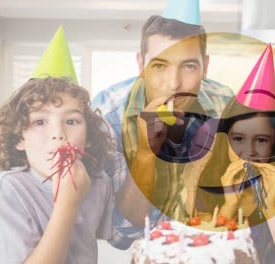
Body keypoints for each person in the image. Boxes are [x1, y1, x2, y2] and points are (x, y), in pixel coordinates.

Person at [91, 0, 233, 249]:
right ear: (140, 65)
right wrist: (146, 155)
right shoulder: (107, 115)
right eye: (159, 65)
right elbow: (123, 236)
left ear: (205, 67)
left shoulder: (225, 105)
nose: (173, 84)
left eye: (189, 66)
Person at [181, 44, 275, 264]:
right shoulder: (206, 182)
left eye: (261, 140)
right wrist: (230, 204)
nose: (249, 152)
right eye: (239, 139)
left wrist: (269, 207)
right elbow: (205, 256)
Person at [0, 77, 114, 263]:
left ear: (89, 138)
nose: (58, 134)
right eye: (40, 122)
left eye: (71, 121)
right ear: (19, 139)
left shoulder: (99, 182)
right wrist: (67, 203)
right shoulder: (6, 190)